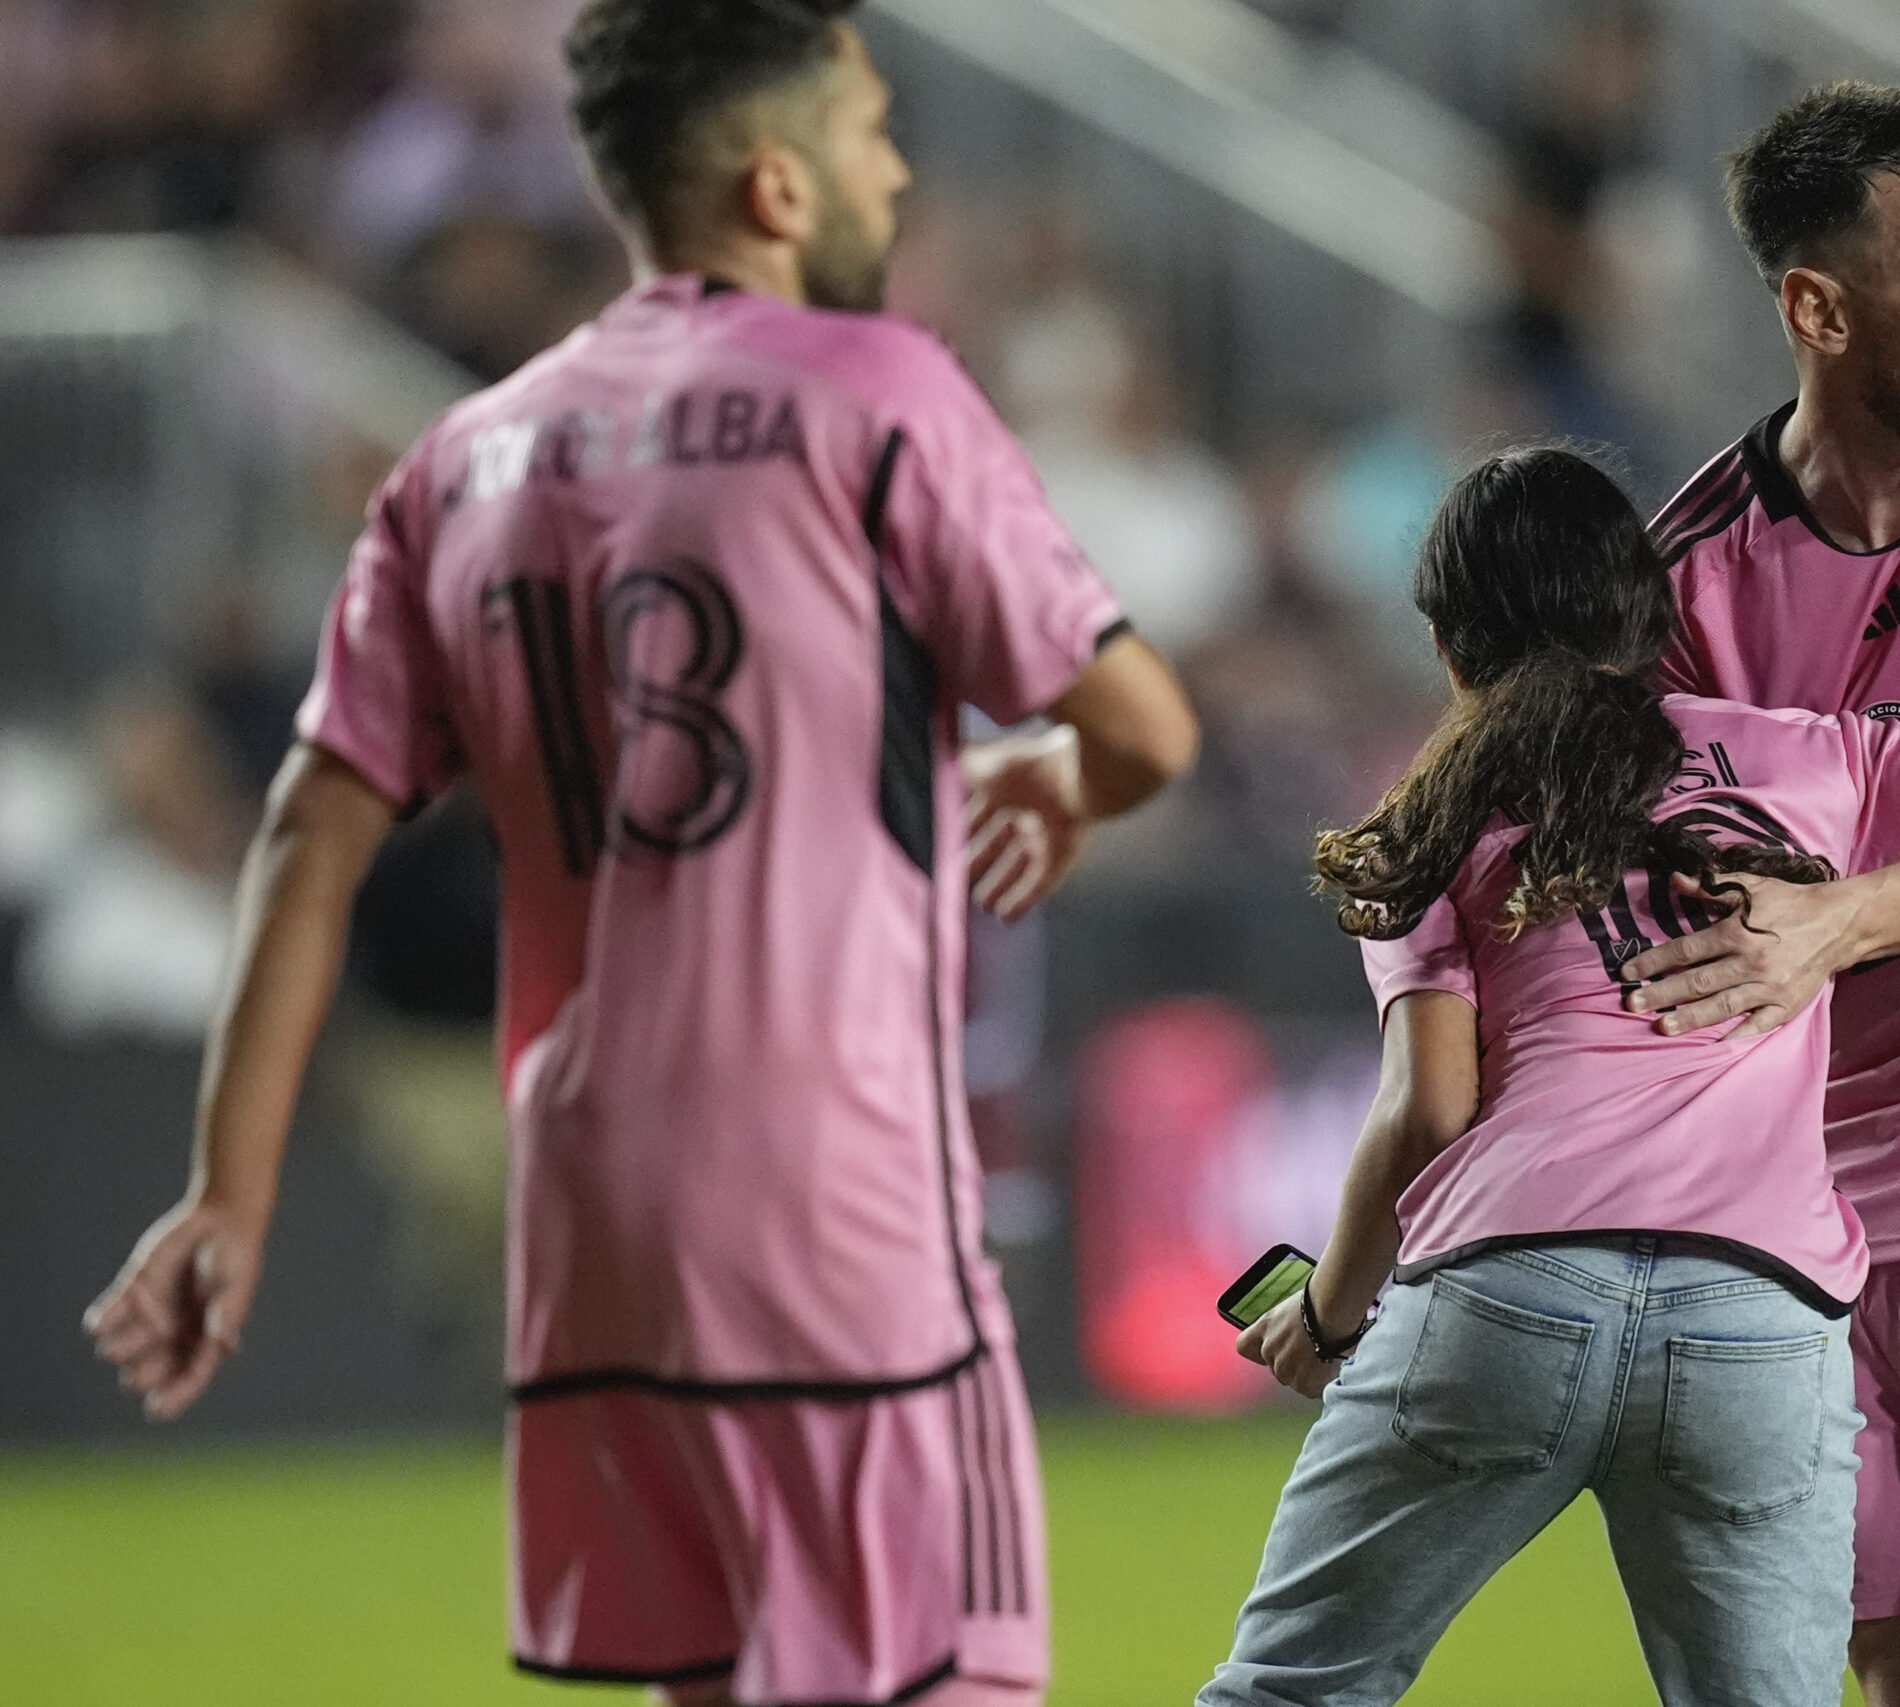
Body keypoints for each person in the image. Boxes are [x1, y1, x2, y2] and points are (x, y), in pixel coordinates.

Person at [80, 6, 1199, 1706]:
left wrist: (224, 1193)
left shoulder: (461, 460)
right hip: (840, 1192)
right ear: (775, 177)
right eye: (872, 129)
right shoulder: (876, 390)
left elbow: (308, 836)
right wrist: (1064, 773)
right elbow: (1148, 730)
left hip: (595, 1216)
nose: (894, 170)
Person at [1363, 82, 1900, 1707]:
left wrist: (1825, 921)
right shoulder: (1681, 572)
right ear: (1816, 307)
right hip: (1803, 1211)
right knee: (1888, 1673)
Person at [1199, 446, 1900, 1707]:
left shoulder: (1435, 812)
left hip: (1506, 1288)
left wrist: (1330, 1316)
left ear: (1447, 644)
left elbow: (1428, 1108)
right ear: (1651, 618)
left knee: (1289, 1690)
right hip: (1755, 1316)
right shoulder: (1814, 756)